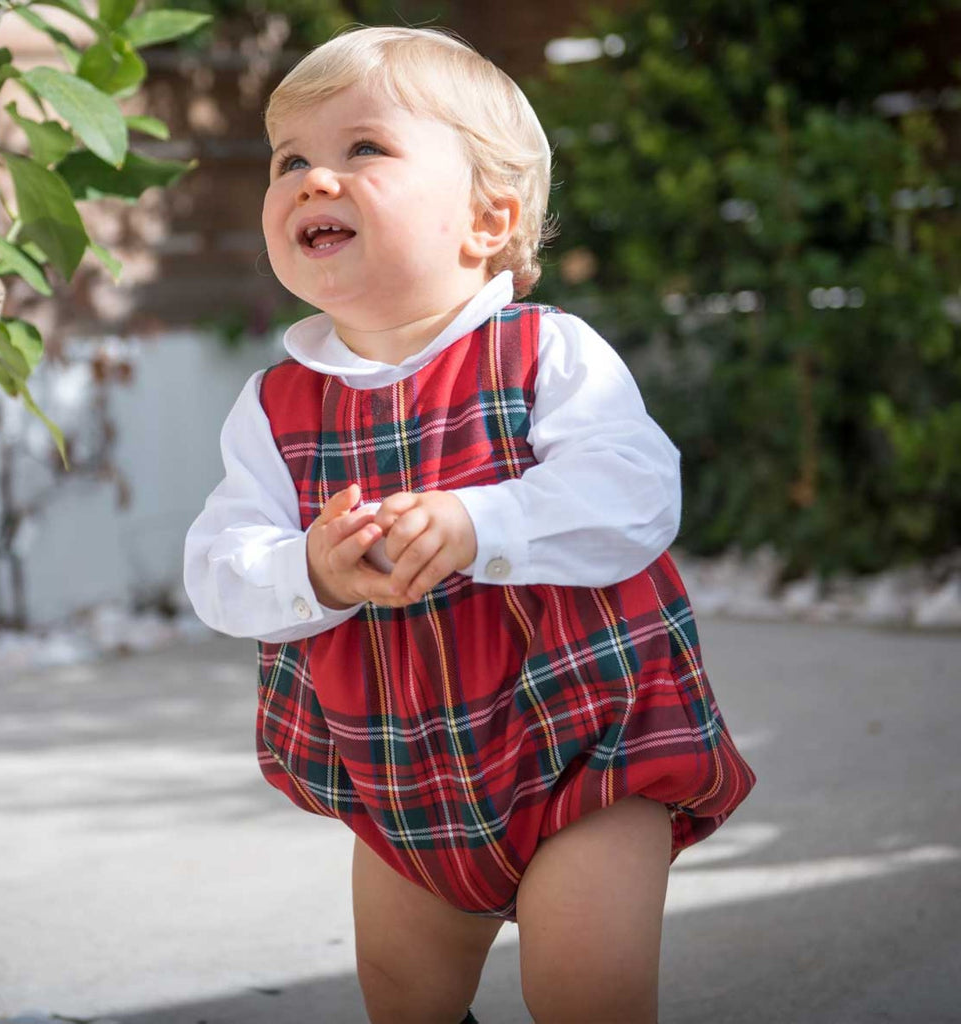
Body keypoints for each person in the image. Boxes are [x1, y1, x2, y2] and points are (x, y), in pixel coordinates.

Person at [184, 25, 755, 1024]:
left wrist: (479, 519)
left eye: (363, 149)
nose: (315, 178)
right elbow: (219, 570)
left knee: (589, 996)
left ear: (488, 219)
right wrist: (309, 570)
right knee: (405, 1002)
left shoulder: (544, 353)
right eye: (290, 159)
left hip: (584, 747)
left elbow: (634, 493)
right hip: (398, 771)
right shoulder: (274, 407)